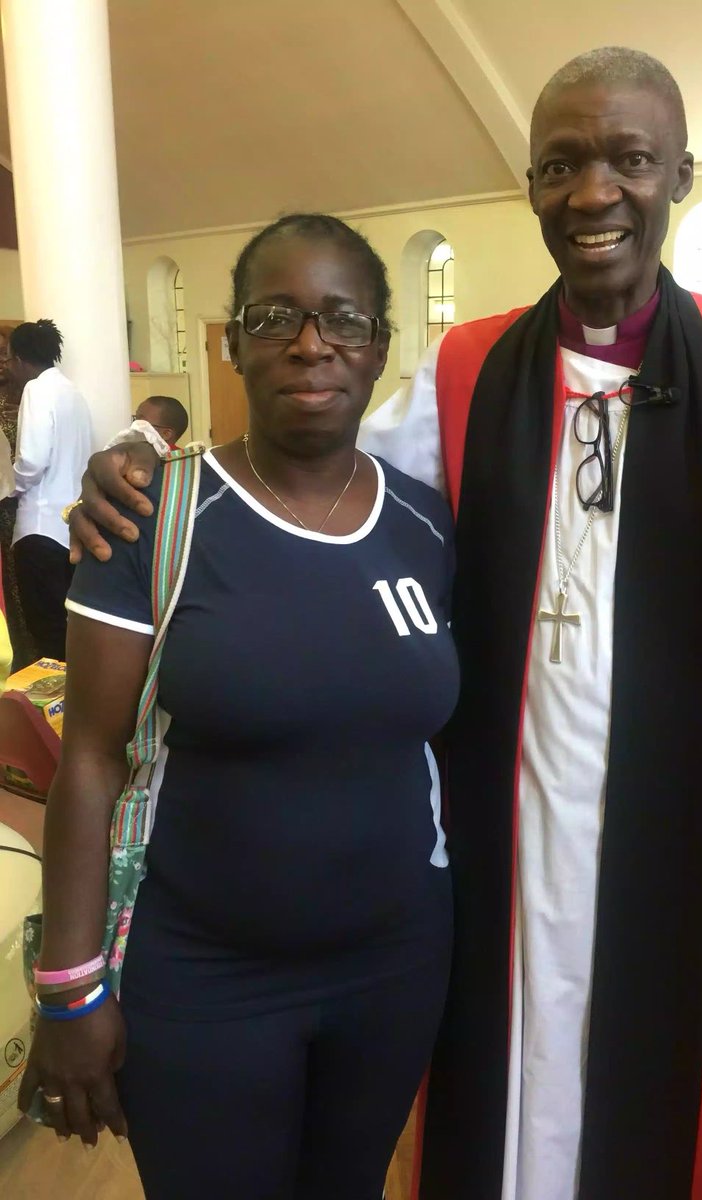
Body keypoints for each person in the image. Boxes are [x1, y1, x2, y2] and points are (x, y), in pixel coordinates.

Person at [69, 48, 702, 1200]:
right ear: (530, 188)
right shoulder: (469, 368)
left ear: (682, 176)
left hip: (691, 830)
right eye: (562, 165)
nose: (595, 192)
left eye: (630, 162)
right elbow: (332, 482)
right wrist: (148, 464)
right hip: (500, 836)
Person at [18, 215, 458, 1200]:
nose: (313, 344)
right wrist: (69, 987)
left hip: (394, 968)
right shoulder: (154, 519)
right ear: (231, 342)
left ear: (382, 346)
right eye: (277, 318)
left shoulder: (429, 524)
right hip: (206, 975)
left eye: (344, 318)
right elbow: (90, 756)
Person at [8, 319, 92, 662]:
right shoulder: (72, 391)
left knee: (46, 629)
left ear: (22, 358)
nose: (9, 367)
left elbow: (32, 459)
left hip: (39, 527)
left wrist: (8, 485)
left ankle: (52, 708)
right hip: (70, 526)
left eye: (9, 358)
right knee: (66, 622)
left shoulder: (36, 389)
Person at [0, 324, 35, 669]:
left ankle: (26, 654)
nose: (1, 363)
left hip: (20, 506)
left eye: (4, 355)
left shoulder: (35, 398)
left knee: (18, 586)